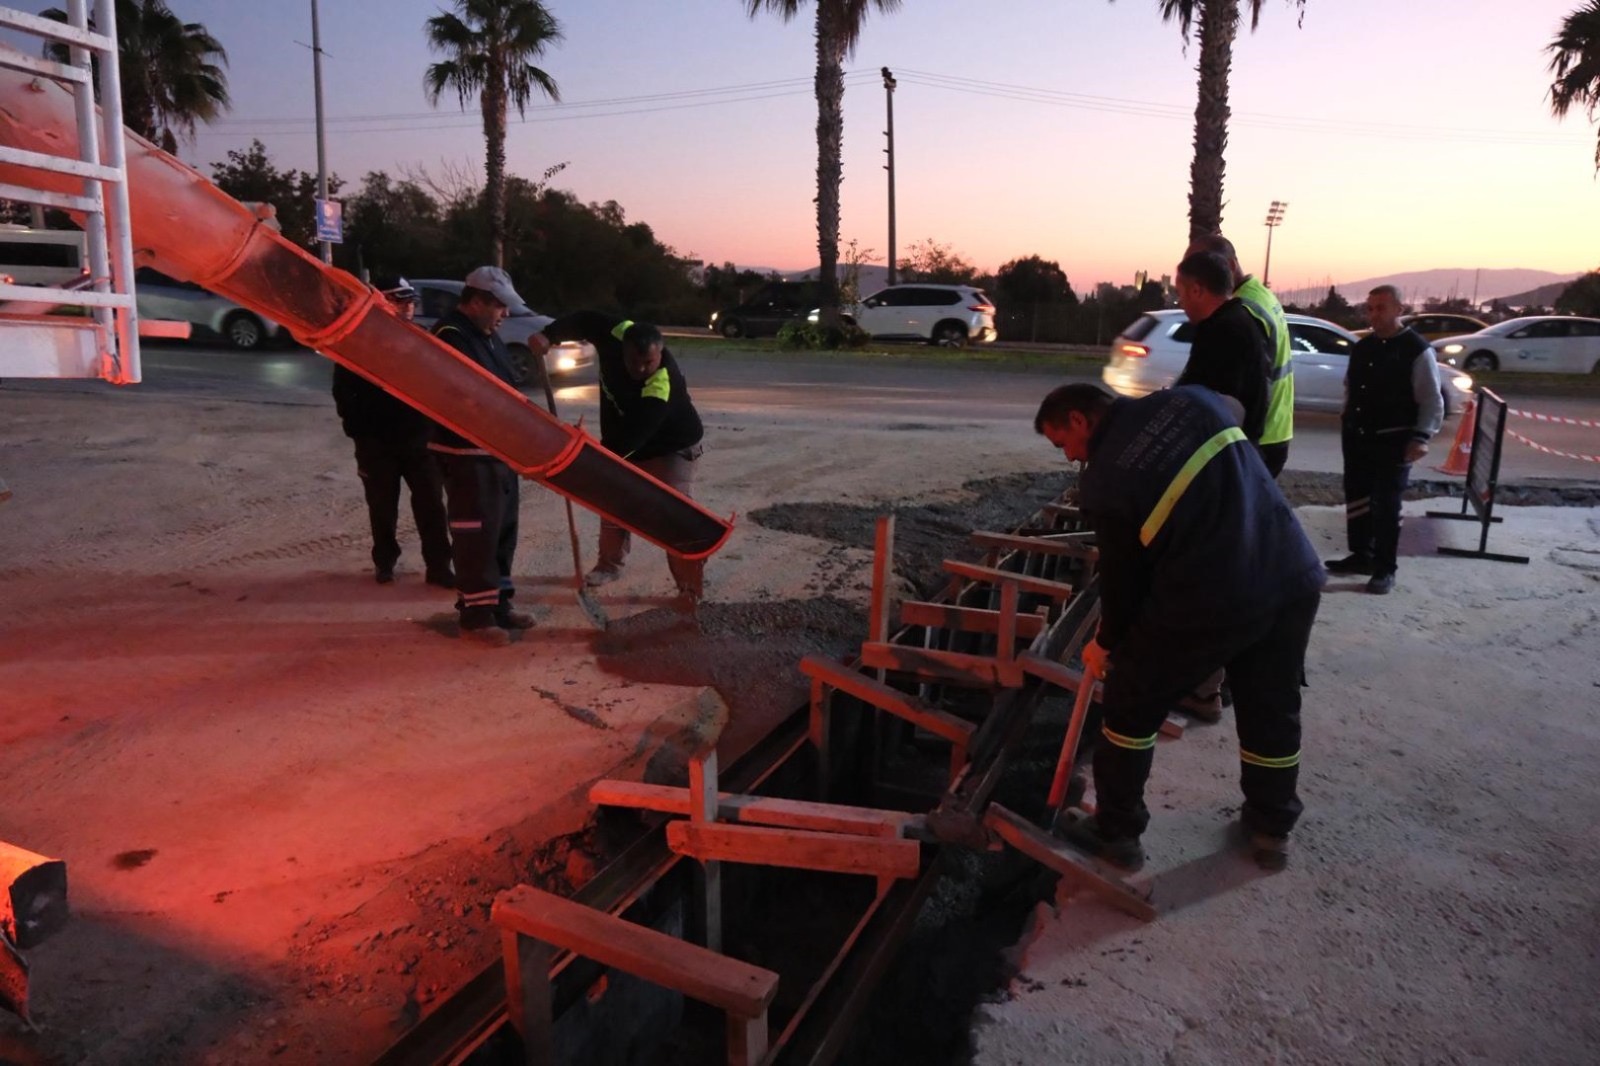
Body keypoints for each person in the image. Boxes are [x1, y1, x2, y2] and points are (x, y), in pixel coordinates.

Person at [1034, 382, 1324, 871]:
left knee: (1129, 701)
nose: (1071, 457)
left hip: (1212, 595)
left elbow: (1125, 583)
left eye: (1064, 444)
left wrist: (1106, 644)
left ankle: (1116, 833)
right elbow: (1235, 405)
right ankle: (1272, 827)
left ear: (1080, 420)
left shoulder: (1106, 482)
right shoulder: (1191, 400)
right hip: (1287, 573)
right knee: (1270, 705)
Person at [528, 313, 706, 603]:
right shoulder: (615, 332)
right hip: (626, 437)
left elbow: (631, 441)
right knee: (613, 503)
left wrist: (588, 463)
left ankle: (689, 587)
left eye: (647, 362)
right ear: (621, 347)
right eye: (632, 361)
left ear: (659, 353)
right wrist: (550, 335)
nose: (639, 369)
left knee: (674, 515)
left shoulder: (661, 386)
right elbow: (586, 319)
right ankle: (609, 566)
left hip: (673, 449)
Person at [426, 266, 539, 645]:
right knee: (476, 536)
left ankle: (500, 606)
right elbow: (466, 398)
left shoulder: (486, 336)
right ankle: (475, 617)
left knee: (502, 534)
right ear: (475, 302)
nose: (505, 315)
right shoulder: (451, 336)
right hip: (468, 455)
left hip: (498, 453)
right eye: (499, 307)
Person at [331, 281, 453, 588]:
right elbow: (344, 394)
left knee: (432, 508)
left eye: (410, 300)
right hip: (377, 445)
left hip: (420, 441)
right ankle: (384, 562)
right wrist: (360, 433)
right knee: (382, 508)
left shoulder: (423, 341)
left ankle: (439, 567)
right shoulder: (357, 343)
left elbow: (440, 387)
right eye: (399, 300)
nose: (408, 306)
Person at [1327, 285, 1442, 595]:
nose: (1374, 314)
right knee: (1358, 498)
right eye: (1370, 308)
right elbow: (1350, 388)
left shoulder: (1416, 350)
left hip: (1394, 441)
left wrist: (1421, 437)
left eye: (1381, 307)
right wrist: (1346, 419)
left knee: (1387, 506)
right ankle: (1361, 555)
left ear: (1399, 310)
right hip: (1357, 437)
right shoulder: (1364, 348)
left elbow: (1431, 399)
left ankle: (1384, 568)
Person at [1187, 233, 1295, 477]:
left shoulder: (1243, 311)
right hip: (1275, 429)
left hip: (1258, 438)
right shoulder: (1260, 295)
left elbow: (1247, 385)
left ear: (1230, 266)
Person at [1172, 250, 1272, 443]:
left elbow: (1212, 404)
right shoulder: (1240, 320)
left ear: (1196, 290)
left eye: (1180, 293)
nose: (1181, 303)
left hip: (1222, 451)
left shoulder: (1222, 332)